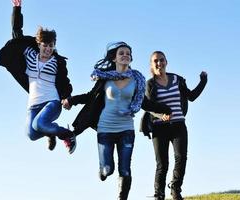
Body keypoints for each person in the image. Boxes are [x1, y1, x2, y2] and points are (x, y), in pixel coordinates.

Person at [62, 42, 171, 200]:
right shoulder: (105, 79)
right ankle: (103, 169)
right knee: (108, 169)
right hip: (105, 128)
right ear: (114, 58)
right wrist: (71, 101)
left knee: (125, 169)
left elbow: (144, 103)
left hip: (126, 129)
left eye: (128, 53)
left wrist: (165, 109)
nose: (125, 55)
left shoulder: (137, 80)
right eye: (122, 53)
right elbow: (90, 97)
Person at [0, 0, 76, 154]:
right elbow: (16, 34)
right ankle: (50, 131)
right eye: (45, 45)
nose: (48, 49)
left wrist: (67, 97)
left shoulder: (57, 62)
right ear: (39, 44)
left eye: (51, 46)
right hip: (33, 104)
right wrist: (16, 9)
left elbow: (64, 81)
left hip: (52, 103)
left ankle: (67, 135)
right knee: (31, 134)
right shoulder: (30, 55)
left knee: (40, 123)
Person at [140, 51, 208, 200]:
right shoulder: (150, 84)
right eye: (155, 61)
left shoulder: (177, 80)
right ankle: (159, 195)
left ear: (166, 62)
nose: (159, 63)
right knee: (162, 164)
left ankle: (176, 189)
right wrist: (160, 115)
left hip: (178, 125)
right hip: (159, 127)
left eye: (161, 60)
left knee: (181, 158)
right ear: (152, 65)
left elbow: (191, 97)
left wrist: (203, 80)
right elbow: (148, 106)